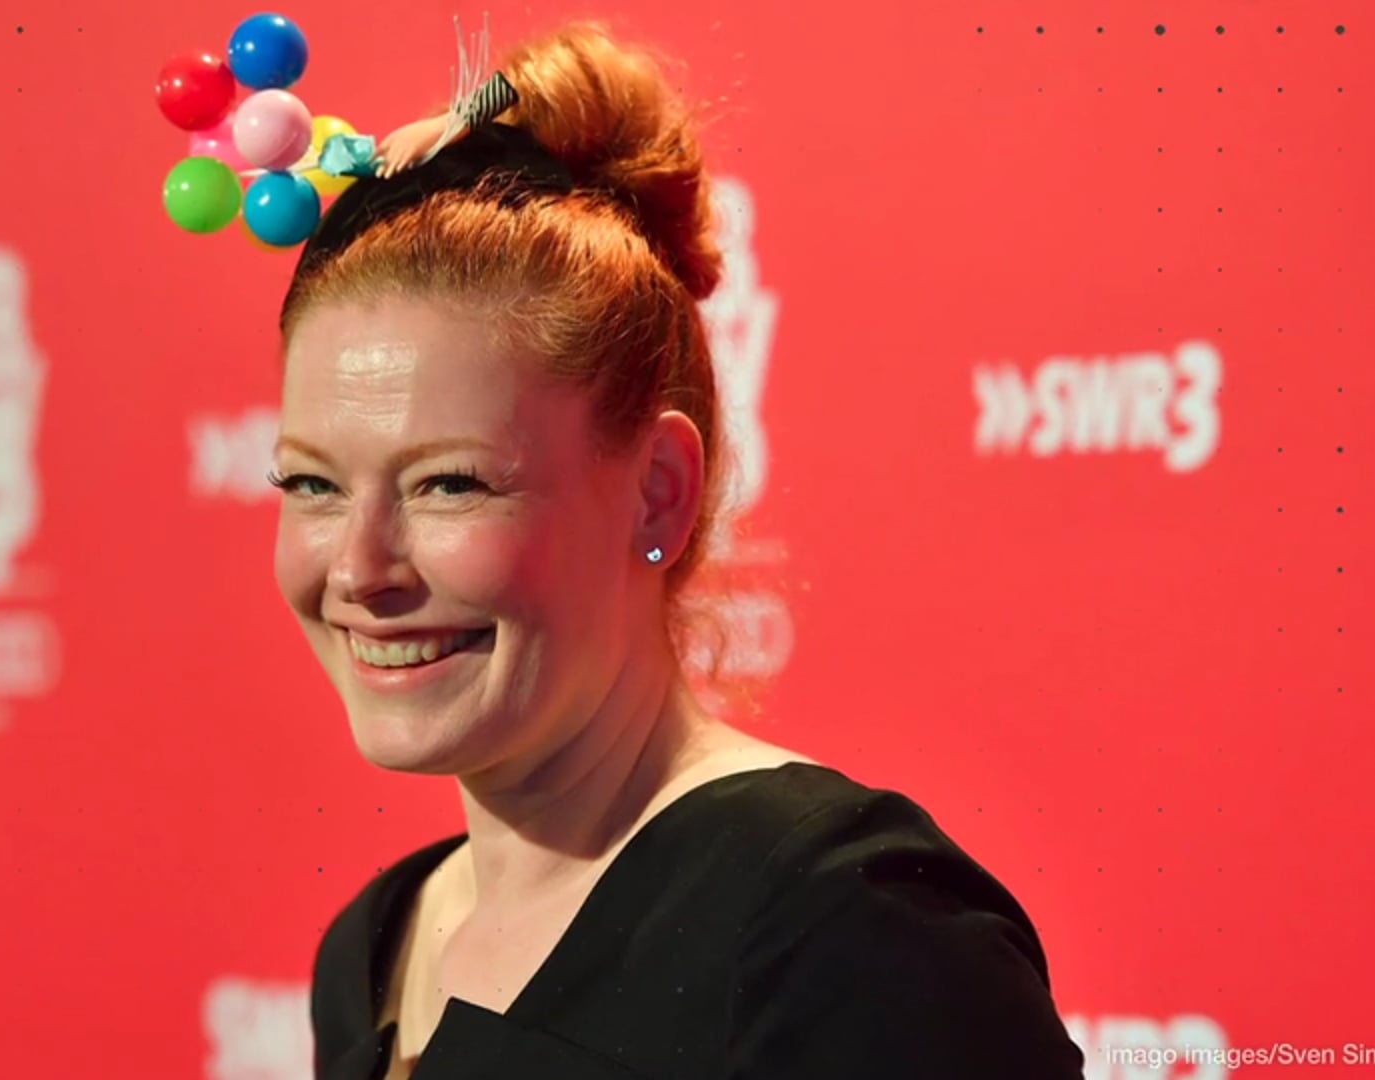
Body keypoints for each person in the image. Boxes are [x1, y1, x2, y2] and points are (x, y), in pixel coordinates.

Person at [266, 21, 1087, 1080]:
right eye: (313, 485)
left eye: (449, 483)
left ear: (657, 494)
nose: (357, 569)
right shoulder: (370, 950)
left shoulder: (847, 929)